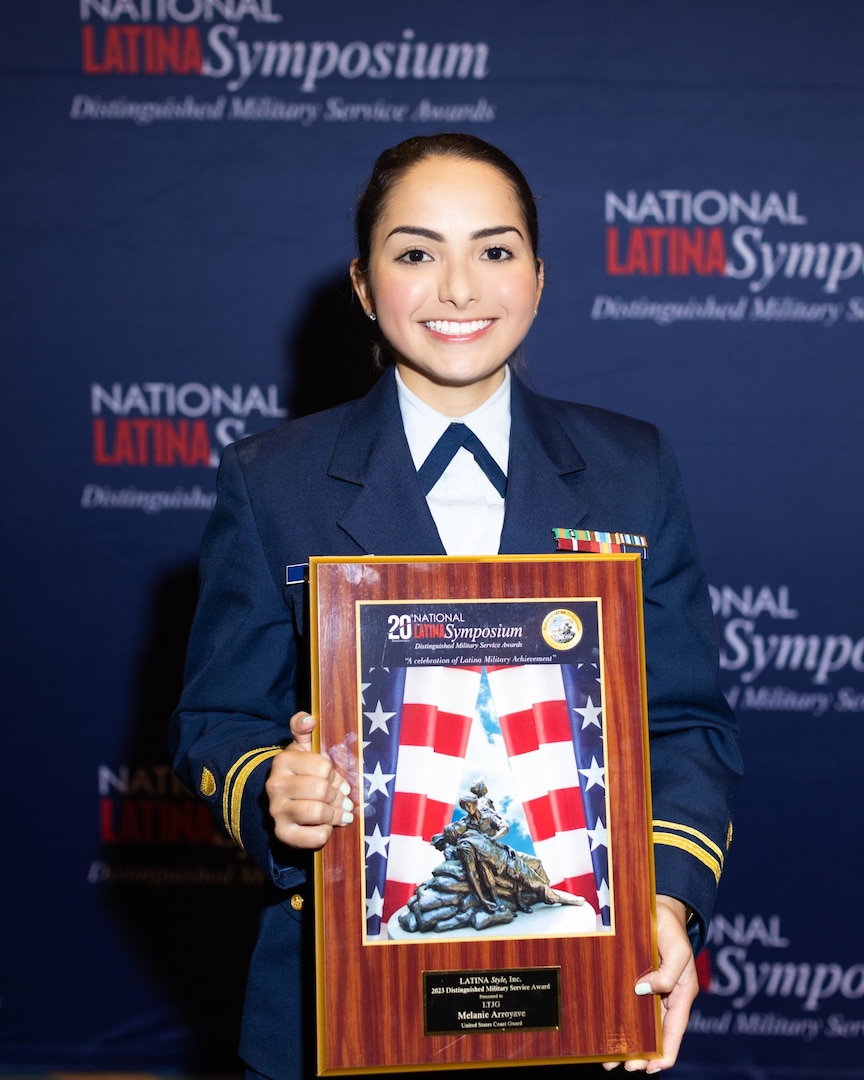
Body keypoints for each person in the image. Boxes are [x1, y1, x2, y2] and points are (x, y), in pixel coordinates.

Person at [170, 133, 742, 1078]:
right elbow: (217, 719)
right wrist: (275, 786)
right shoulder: (274, 483)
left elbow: (683, 722)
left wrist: (667, 902)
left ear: (541, 275)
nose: (461, 289)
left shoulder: (632, 468)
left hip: (578, 995)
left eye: (495, 249)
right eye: (416, 252)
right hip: (334, 1010)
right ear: (363, 284)